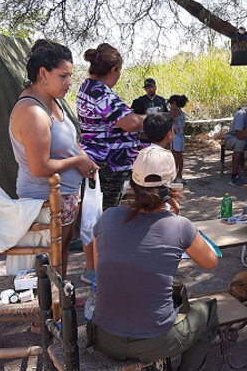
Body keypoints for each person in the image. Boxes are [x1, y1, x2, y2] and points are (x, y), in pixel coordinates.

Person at [88, 146, 219, 371]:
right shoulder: (180, 226)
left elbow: (101, 270)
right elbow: (210, 262)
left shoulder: (108, 218)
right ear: (172, 185)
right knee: (209, 312)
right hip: (155, 339)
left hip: (103, 337)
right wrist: (177, 216)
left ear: (132, 182)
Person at [9, 39, 97, 280]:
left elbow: (68, 140)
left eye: (70, 76)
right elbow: (40, 167)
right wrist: (78, 162)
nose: (69, 83)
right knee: (49, 260)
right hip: (45, 201)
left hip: (64, 198)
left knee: (62, 252)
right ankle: (47, 314)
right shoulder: (32, 111)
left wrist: (83, 156)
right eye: (64, 76)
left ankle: (60, 303)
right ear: (43, 74)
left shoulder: (51, 100)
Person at [77, 43, 145, 284]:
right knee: (105, 218)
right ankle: (101, 270)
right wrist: (147, 118)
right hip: (107, 164)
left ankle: (92, 267)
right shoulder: (101, 92)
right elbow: (130, 123)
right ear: (114, 69)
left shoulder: (87, 87)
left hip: (96, 160)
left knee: (93, 215)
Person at [169, 94, 188, 184]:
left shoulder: (174, 110)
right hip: (181, 135)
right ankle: (179, 173)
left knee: (175, 155)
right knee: (179, 155)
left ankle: (177, 173)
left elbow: (169, 118)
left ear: (174, 103)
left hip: (176, 135)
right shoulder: (180, 111)